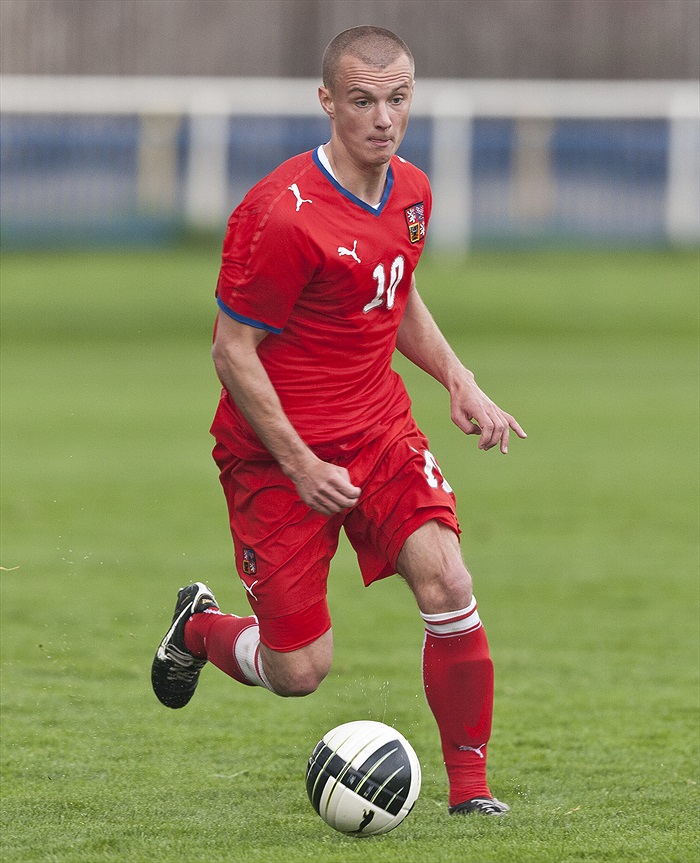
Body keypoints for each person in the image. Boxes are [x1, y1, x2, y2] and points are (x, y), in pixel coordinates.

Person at [151, 25, 526, 817]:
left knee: (449, 577)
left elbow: (397, 291)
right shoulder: (282, 216)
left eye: (397, 100)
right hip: (273, 456)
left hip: (379, 427)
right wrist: (298, 462)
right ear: (327, 102)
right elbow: (232, 351)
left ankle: (471, 791)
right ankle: (200, 628)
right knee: (299, 669)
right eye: (362, 100)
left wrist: (461, 380)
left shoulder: (413, 192)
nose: (382, 118)